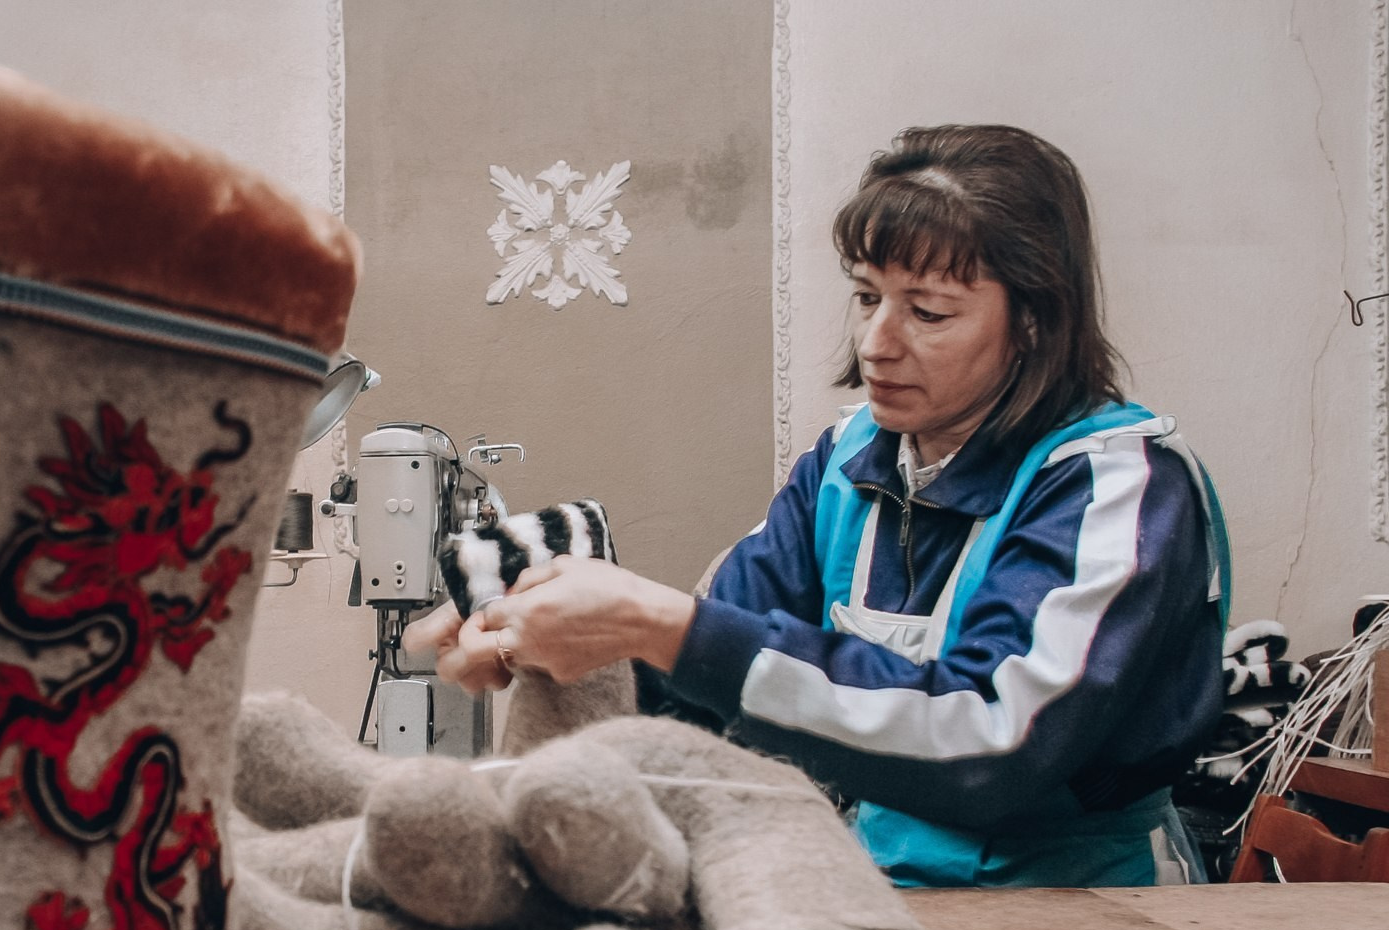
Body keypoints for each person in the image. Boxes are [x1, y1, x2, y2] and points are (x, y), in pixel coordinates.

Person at [409, 124, 1230, 889]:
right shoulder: (847, 461)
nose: (877, 341)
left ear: (1033, 322)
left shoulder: (1122, 483)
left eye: (928, 311)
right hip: (884, 879)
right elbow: (710, 671)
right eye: (868, 296)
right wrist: (544, 624)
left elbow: (995, 742)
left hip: (1091, 908)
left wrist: (660, 627)